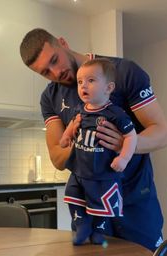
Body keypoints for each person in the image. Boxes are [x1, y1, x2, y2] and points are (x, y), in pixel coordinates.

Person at [19, 28, 167, 252]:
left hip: (134, 204)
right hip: (89, 210)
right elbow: (57, 157)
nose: (55, 73)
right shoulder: (50, 98)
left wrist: (125, 144)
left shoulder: (124, 72)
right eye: (45, 72)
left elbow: (162, 133)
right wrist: (81, 142)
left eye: (54, 60)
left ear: (63, 42)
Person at [60, 58, 137, 245]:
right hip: (78, 170)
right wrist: (66, 136)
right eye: (80, 82)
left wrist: (124, 158)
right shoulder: (81, 109)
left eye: (91, 80)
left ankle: (98, 231)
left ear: (109, 88)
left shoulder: (115, 113)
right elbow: (74, 123)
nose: (83, 85)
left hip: (103, 173)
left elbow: (131, 136)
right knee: (73, 198)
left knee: (102, 205)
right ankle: (81, 225)